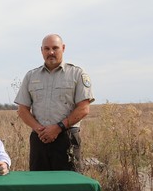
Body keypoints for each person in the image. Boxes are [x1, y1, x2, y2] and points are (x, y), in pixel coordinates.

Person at [14, 34, 94, 171]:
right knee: (38, 186)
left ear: (63, 48)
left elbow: (83, 108)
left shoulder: (77, 74)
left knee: (69, 186)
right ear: (41, 51)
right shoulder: (31, 76)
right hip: (40, 139)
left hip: (67, 138)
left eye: (55, 48)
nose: (51, 52)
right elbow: (22, 110)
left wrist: (57, 128)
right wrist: (40, 130)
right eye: (47, 48)